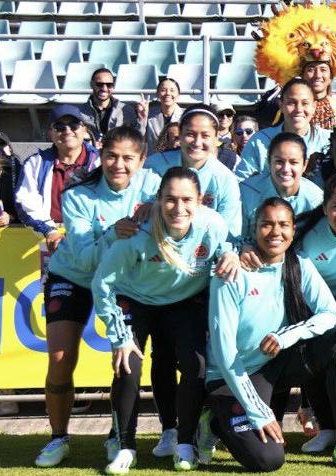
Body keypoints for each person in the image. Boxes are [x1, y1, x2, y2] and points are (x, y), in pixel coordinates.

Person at [204, 197, 336, 472]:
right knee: (269, 459)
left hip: (274, 364)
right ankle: (214, 422)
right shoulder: (230, 274)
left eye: (283, 224)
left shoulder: (299, 264)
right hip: (232, 376)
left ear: (293, 230)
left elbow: (331, 315)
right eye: (267, 224)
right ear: (255, 228)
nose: (276, 232)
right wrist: (257, 411)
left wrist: (287, 336)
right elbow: (226, 355)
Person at [92, 167, 240, 473]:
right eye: (170, 199)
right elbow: (102, 283)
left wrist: (232, 254)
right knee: (127, 367)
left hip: (184, 302)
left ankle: (185, 443)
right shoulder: (137, 232)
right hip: (135, 298)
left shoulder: (212, 224)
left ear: (200, 201)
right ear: (158, 200)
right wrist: (119, 336)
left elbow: (227, 249)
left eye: (187, 199)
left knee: (195, 365)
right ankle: (125, 446)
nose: (179, 208)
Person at [32, 127, 158, 468]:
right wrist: (112, 233)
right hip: (73, 275)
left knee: (125, 358)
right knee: (60, 358)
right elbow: (86, 257)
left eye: (128, 158)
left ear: (142, 161)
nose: (118, 164)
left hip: (121, 280)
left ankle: (117, 435)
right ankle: (58, 438)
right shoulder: (77, 193)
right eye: (111, 156)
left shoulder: (153, 186)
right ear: (100, 155)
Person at [144, 105, 242, 241]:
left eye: (205, 135)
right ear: (180, 133)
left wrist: (227, 254)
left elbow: (229, 232)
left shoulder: (225, 178)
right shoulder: (154, 166)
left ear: (216, 138)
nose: (197, 142)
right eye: (190, 134)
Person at [16, 105, 101, 249]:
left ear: (84, 129)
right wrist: (49, 231)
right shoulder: (35, 163)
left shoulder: (102, 162)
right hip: (51, 239)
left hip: (94, 237)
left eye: (74, 125)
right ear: (50, 133)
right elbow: (25, 201)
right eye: (59, 127)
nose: (67, 131)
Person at [238, 133, 324, 249]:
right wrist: (243, 247)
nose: (286, 169)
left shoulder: (316, 199)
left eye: (293, 162)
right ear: (269, 162)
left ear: (304, 165)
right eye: (279, 162)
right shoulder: (246, 192)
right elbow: (234, 236)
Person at [237, 79, 331, 180]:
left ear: (314, 106)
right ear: (280, 105)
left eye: (305, 103)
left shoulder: (329, 140)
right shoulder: (259, 141)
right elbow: (242, 182)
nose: (299, 109)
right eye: (291, 103)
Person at [79, 68, 140, 142]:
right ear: (92, 84)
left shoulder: (126, 110)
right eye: (99, 84)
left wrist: (142, 120)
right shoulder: (80, 112)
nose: (104, 88)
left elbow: (136, 140)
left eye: (109, 85)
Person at [138, 78, 183, 153]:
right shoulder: (149, 114)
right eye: (163, 90)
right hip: (154, 160)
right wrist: (142, 120)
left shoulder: (185, 117)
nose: (168, 93)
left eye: (172, 90)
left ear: (178, 94)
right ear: (157, 94)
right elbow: (139, 140)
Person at [0, 130, 18, 226]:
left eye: (1, 144)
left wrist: (10, 217)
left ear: (10, 149)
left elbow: (29, 208)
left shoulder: (20, 172)